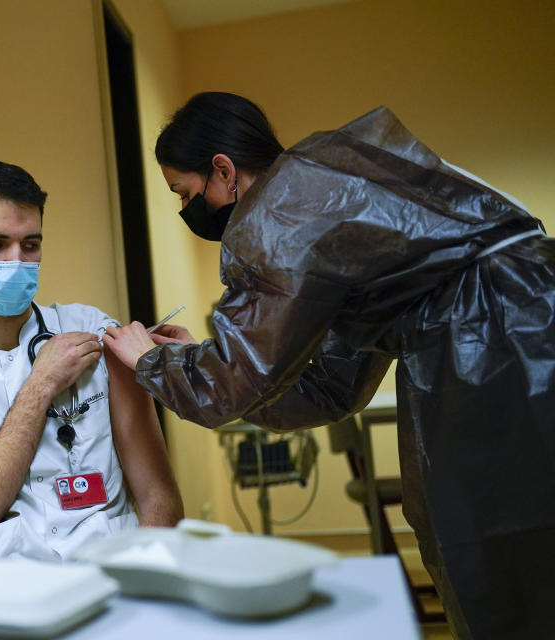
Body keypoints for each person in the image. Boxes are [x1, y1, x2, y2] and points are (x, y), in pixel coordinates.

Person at [103, 92, 555, 639]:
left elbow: (225, 389)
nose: (187, 211)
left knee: (504, 555)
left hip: (500, 344)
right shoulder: (327, 193)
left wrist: (150, 362)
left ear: (223, 170)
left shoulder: (279, 208)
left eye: (186, 193)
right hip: (516, 321)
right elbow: (328, 387)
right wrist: (197, 358)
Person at [0, 160, 182, 561]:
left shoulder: (90, 329)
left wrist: (146, 583)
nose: (16, 261)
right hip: (3, 592)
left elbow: (159, 497)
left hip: (116, 575)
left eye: (30, 244)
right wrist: (41, 384)